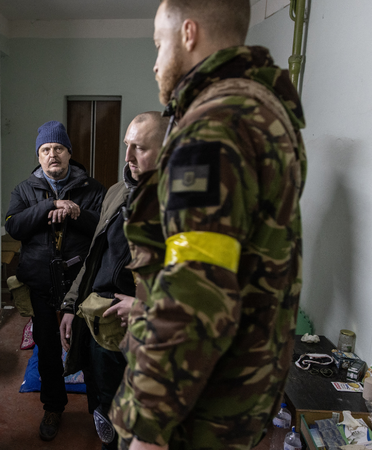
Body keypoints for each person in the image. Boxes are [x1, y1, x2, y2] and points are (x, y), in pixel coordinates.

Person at [109, 0, 306, 449]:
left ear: (189, 34)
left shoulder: (212, 126)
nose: (156, 62)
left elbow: (196, 284)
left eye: (159, 44)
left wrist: (147, 425)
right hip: (238, 395)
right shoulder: (265, 109)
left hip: (198, 409)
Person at [58, 113, 168, 450]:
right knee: (104, 408)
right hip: (100, 322)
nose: (128, 157)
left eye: (140, 148)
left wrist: (143, 306)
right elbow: (95, 256)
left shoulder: (179, 203)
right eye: (126, 146)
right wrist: (71, 306)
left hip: (150, 332)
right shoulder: (116, 192)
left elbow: (199, 282)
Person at [5, 120, 105, 441]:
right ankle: (53, 407)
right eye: (46, 150)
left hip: (81, 285)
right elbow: (14, 227)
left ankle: (100, 410)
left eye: (58, 148)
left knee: (88, 347)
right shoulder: (24, 190)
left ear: (69, 153)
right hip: (41, 283)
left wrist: (77, 211)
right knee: (47, 348)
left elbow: (104, 229)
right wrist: (51, 205)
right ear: (39, 155)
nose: (52, 155)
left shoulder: (92, 188)